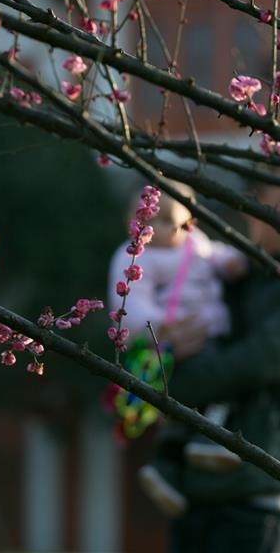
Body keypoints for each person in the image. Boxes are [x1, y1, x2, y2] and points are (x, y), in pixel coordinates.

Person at [159, 178, 280, 553]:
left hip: (258, 493)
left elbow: (255, 363)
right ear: (255, 209)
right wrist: (162, 350)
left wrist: (171, 381)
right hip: (192, 492)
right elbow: (153, 342)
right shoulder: (228, 274)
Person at [106, 184, 249, 517]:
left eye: (169, 219)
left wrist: (234, 262)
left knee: (217, 389)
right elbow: (130, 304)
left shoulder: (196, 246)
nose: (157, 227)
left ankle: (190, 451)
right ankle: (173, 459)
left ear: (191, 222)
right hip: (170, 343)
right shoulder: (133, 256)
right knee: (185, 398)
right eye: (146, 218)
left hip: (210, 331)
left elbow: (218, 254)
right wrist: (160, 326)